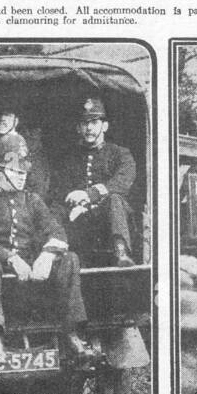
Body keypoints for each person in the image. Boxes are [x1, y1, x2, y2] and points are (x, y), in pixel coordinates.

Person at [0, 140, 90, 366]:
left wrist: (47, 255)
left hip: (31, 279)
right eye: (15, 171)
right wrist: (9, 257)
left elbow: (57, 232)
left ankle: (72, 332)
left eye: (24, 172)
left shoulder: (32, 200)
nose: (22, 177)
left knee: (70, 259)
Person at [55, 96, 136, 267]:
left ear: (104, 126)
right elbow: (60, 189)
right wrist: (75, 204)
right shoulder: (69, 159)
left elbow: (123, 181)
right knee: (55, 210)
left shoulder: (120, 154)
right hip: (79, 220)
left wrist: (89, 195)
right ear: (78, 128)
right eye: (84, 123)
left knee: (115, 199)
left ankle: (121, 252)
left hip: (109, 220)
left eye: (94, 122)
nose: (89, 128)